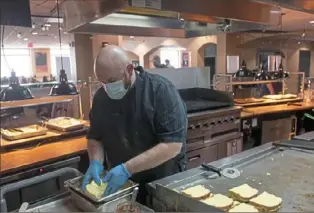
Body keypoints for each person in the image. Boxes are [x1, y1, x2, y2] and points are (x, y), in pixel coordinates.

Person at [82, 45, 188, 205]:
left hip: (161, 184)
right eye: (102, 82)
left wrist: (127, 169)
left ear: (130, 70)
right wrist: (95, 162)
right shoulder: (101, 98)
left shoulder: (160, 91)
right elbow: (95, 137)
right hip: (122, 186)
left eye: (111, 81)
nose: (107, 87)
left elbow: (173, 144)